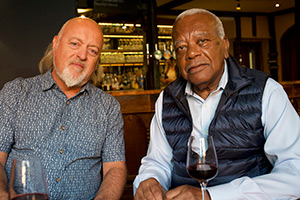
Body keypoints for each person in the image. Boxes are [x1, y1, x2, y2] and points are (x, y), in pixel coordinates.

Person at [133, 8, 300, 200]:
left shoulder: (266, 92)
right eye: (181, 47)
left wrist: (212, 196)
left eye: (202, 41)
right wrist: (149, 180)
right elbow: (157, 162)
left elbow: (295, 171)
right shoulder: (167, 99)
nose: (192, 53)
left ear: (225, 46)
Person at [0, 17, 127, 200]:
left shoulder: (108, 107)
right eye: (75, 44)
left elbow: (115, 168)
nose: (82, 56)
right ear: (56, 44)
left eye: (92, 51)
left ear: (97, 60)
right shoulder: (16, 93)